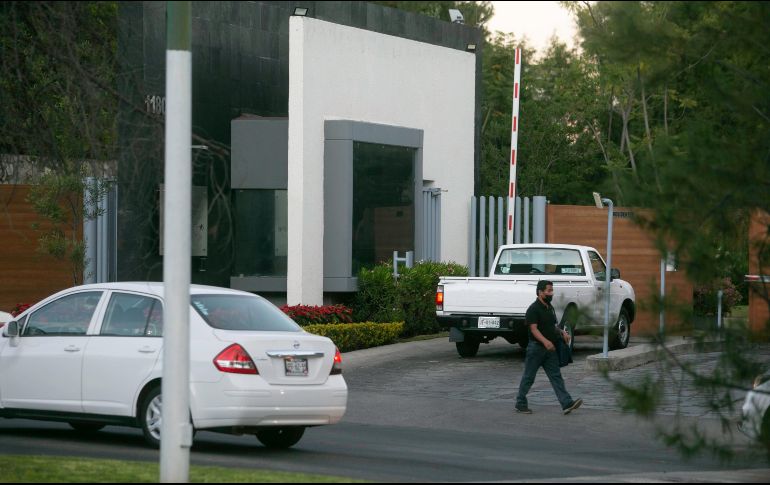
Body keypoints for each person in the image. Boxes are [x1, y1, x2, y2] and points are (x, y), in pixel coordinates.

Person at [515, 280, 583, 415]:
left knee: (556, 376)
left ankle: (566, 403)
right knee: (529, 377)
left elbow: (552, 326)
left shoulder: (549, 308)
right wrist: (545, 342)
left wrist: (562, 332)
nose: (551, 293)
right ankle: (520, 402)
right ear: (540, 292)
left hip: (550, 349)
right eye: (549, 291)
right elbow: (533, 329)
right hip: (536, 349)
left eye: (552, 290)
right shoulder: (533, 309)